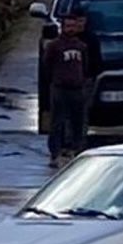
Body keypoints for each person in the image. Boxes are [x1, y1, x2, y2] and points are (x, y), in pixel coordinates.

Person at [42, 11, 90, 167]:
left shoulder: (82, 46)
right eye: (68, 26)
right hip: (60, 89)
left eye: (73, 26)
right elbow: (46, 66)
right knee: (57, 122)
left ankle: (77, 150)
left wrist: (82, 81)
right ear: (62, 27)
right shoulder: (54, 46)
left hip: (77, 89)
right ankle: (55, 154)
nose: (71, 29)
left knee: (78, 122)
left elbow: (85, 66)